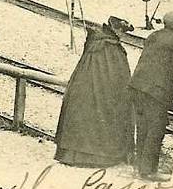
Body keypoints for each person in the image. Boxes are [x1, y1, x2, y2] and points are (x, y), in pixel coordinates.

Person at [54, 16, 136, 167]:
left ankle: (72, 154)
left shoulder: (94, 41)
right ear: (117, 31)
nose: (123, 36)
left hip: (82, 89)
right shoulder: (112, 49)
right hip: (102, 95)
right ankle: (98, 157)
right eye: (122, 32)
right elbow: (120, 79)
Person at [129, 10, 173, 182]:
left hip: (138, 87)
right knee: (155, 131)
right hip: (157, 92)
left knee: (142, 129)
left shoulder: (154, 35)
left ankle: (139, 167)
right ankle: (148, 172)